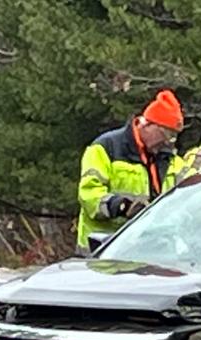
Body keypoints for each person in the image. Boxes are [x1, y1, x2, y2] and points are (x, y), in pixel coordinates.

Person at [76, 89, 187, 254]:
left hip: (150, 253)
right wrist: (121, 206)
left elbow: (186, 202)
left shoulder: (172, 160)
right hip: (101, 251)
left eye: (173, 137)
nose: (168, 142)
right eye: (166, 134)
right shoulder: (105, 148)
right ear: (147, 124)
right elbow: (89, 196)